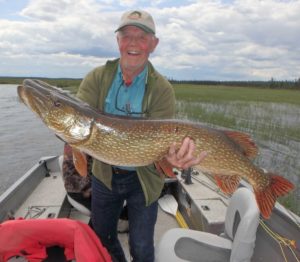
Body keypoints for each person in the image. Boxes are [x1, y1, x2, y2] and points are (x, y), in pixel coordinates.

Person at [76, 10, 206, 262]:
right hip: (104, 176)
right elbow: (77, 125)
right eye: (127, 35)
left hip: (143, 180)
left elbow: (164, 145)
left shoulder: (161, 89)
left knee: (143, 247)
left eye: (142, 36)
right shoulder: (97, 78)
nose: (133, 43)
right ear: (118, 41)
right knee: (101, 240)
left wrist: (174, 159)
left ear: (153, 44)